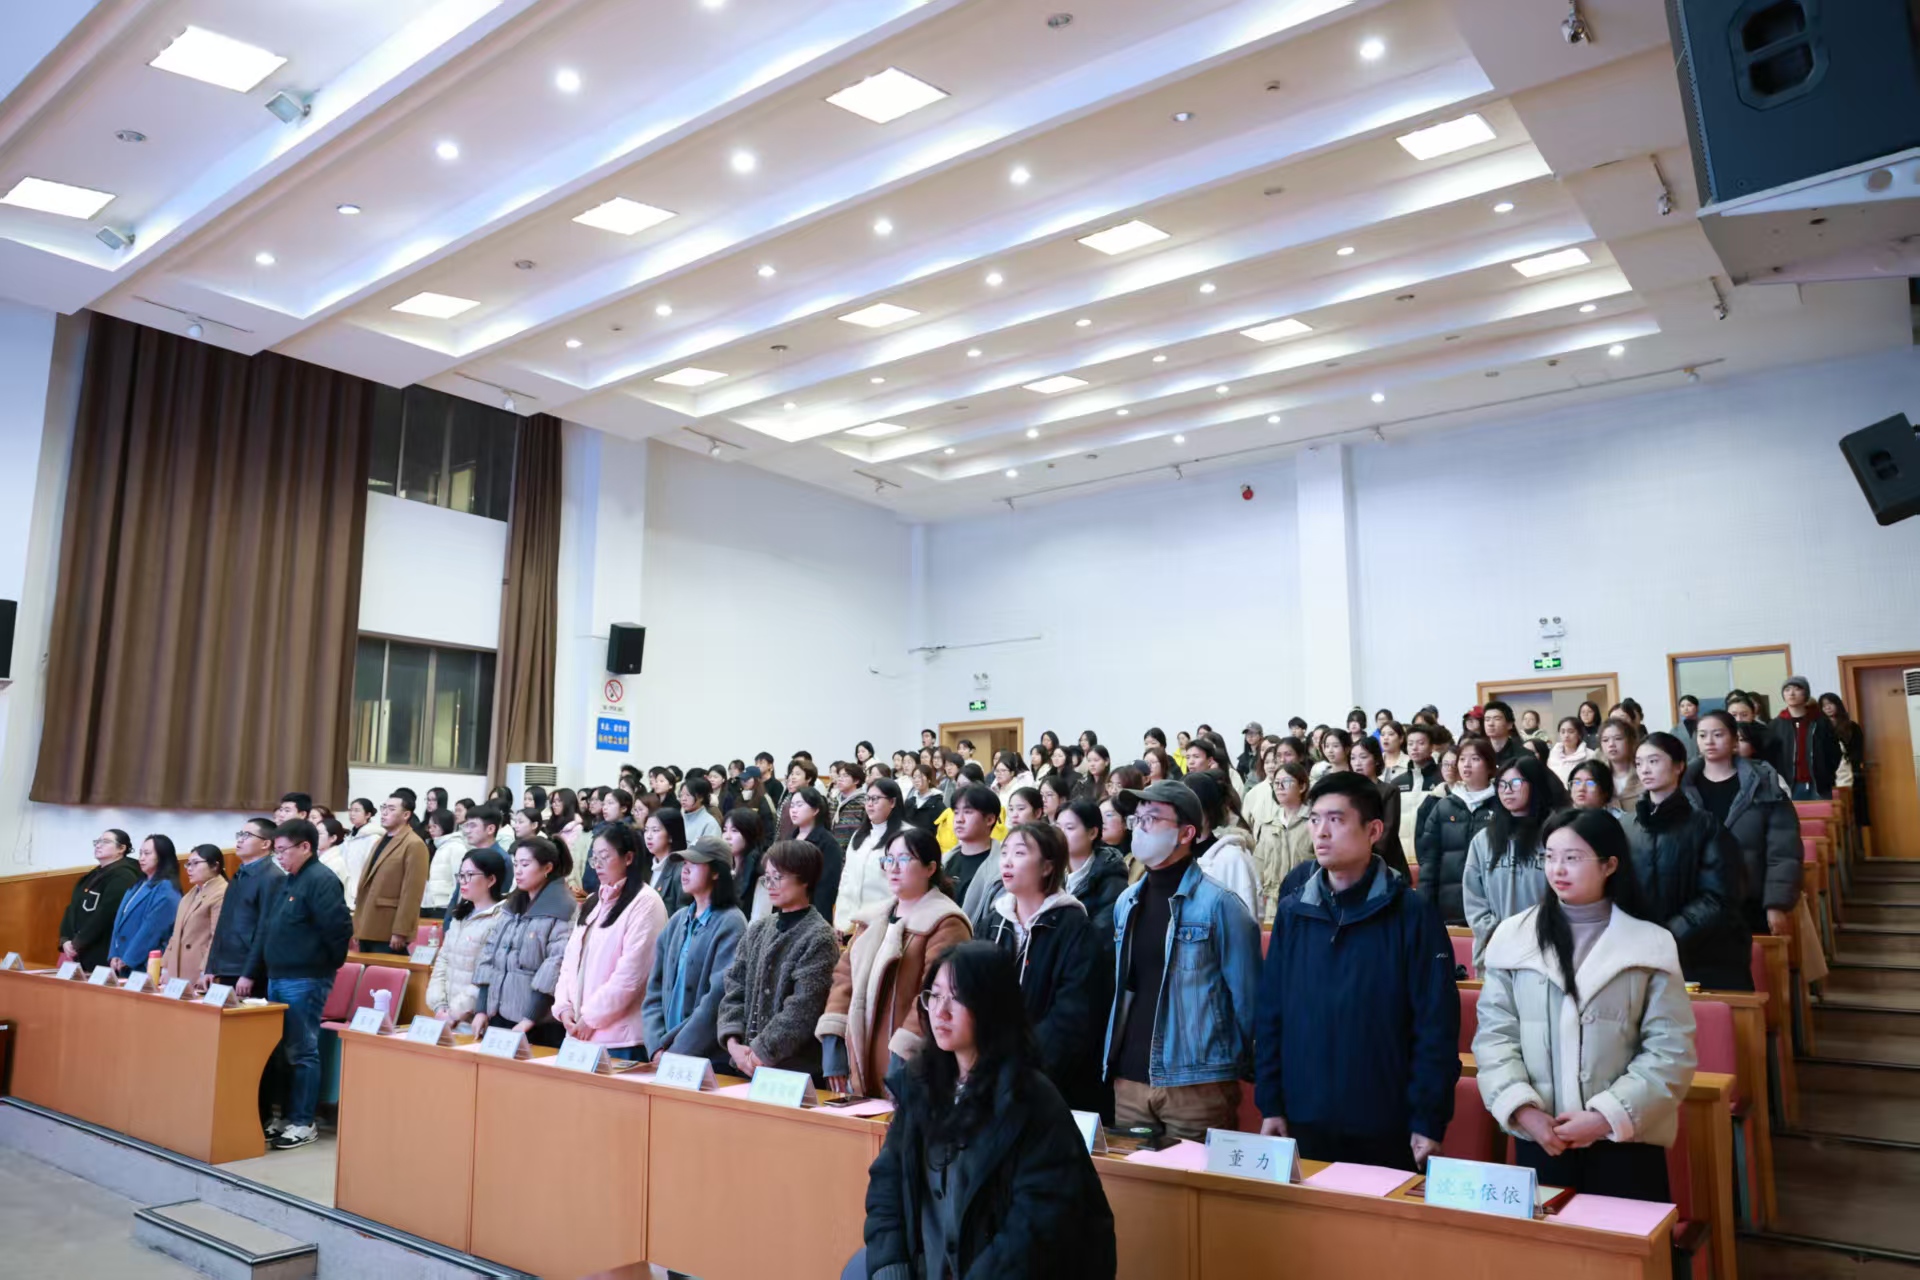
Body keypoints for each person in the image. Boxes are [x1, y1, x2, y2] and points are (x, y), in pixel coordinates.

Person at [850, 942, 1117, 1280]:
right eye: (935, 995)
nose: (941, 1012)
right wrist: (891, 1266)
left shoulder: (1031, 1101)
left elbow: (1035, 1228)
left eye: (957, 998)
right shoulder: (920, 1083)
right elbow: (887, 1184)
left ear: (992, 1006)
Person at [1474, 809, 1696, 1201]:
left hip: (1624, 1141)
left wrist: (1605, 1116)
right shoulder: (1513, 937)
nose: (1557, 869)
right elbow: (1495, 1036)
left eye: (1572, 858)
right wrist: (1523, 1110)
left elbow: (1670, 1049)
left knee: (1621, 1237)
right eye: (1549, 857)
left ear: (1610, 865)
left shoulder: (1651, 943)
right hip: (1541, 1137)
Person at [1256, 772, 1460, 1169]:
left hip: (1385, 1120)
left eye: (1336, 819)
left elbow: (1435, 1023)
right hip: (1303, 1112)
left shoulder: (1412, 914)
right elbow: (1270, 1013)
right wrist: (1271, 1102)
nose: (1321, 832)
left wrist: (1428, 1117)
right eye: (1315, 819)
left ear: (1374, 830)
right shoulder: (1295, 910)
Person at [1104, 781, 1261, 1140]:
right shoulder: (1126, 901)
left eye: (1152, 818)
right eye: (1137, 819)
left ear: (1186, 833)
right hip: (1130, 1079)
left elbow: (1249, 1000)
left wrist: (1226, 1066)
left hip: (1196, 1082)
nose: (1140, 827)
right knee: (1133, 1178)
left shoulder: (1221, 904)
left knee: (1194, 1178)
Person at [818, 827, 971, 1099]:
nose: (893, 868)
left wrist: (904, 1053)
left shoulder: (946, 922)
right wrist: (834, 1041)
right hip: (859, 1061)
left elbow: (935, 996)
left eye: (904, 859)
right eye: (888, 859)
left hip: (912, 1066)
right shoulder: (872, 919)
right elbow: (844, 979)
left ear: (930, 868)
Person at [242, 819, 352, 1150]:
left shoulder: (321, 880)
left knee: (302, 1051)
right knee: (280, 1052)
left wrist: (322, 966)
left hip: (306, 978)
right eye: (276, 852)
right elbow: (268, 929)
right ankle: (286, 1116)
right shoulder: (290, 880)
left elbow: (339, 930)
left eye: (283, 851)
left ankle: (303, 1122)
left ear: (305, 847)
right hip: (278, 976)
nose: (279, 858)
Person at [983, 822, 1107, 1115]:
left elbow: (1072, 1016)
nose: (1007, 861)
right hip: (990, 1079)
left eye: (1020, 853)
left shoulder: (1075, 928)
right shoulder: (993, 923)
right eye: (1005, 852)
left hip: (1049, 1086)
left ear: (1048, 866)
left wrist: (1021, 1071)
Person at [1627, 732, 1752, 989]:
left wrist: (1667, 935)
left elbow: (1718, 896)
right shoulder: (1627, 827)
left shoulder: (1705, 825)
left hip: (1700, 954)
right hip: (1640, 952)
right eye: (1639, 763)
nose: (1644, 770)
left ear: (1678, 766)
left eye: (1654, 761)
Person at [718, 838, 840, 1081]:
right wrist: (733, 1043)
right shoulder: (758, 929)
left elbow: (803, 1009)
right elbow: (734, 987)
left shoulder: (820, 937)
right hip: (745, 1063)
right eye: (767, 877)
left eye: (779, 877)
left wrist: (759, 1053)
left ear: (805, 879)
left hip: (792, 1072)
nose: (770, 884)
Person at [554, 823, 669, 1060]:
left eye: (604, 857)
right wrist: (564, 1008)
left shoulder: (646, 902)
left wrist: (590, 1018)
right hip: (578, 1033)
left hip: (620, 1039)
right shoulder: (593, 901)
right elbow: (570, 962)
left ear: (628, 858)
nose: (597, 865)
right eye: (594, 858)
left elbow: (630, 976)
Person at [1685, 711, 1802, 939]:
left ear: (1734, 739)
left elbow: (1783, 850)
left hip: (1751, 899)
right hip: (1697, 901)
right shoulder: (1682, 785)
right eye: (1702, 735)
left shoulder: (1763, 782)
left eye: (1718, 734)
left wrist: (1776, 903)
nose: (1709, 741)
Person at [642, 837, 748, 1068]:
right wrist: (655, 1046)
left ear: (716, 872)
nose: (685, 869)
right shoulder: (678, 920)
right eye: (684, 863)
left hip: (707, 1060)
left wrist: (674, 1053)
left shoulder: (732, 923)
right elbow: (654, 990)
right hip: (665, 1055)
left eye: (695, 863)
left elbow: (716, 1000)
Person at [471, 836, 577, 1049]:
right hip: (498, 1014)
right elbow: (489, 953)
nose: (518, 871)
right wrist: (481, 1008)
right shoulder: (511, 905)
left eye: (525, 864)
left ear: (547, 867)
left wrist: (530, 1018)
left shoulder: (563, 907)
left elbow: (555, 965)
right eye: (516, 864)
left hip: (537, 1024)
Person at [1462, 754, 1556, 971]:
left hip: (1544, 951)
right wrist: (1498, 932)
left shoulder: (1554, 837)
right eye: (1502, 784)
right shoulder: (1484, 840)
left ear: (1535, 785)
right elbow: (1473, 899)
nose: (1507, 790)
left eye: (1515, 783)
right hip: (1495, 949)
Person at [1416, 736, 1500, 925]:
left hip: (1492, 903)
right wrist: (1424, 902)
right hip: (1449, 903)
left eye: (1475, 759)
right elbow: (1429, 860)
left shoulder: (1501, 806)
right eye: (1462, 759)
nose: (1466, 764)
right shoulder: (1444, 806)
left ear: (1490, 766)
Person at [425, 845, 510, 1028]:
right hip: (445, 1015)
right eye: (461, 875)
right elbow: (443, 960)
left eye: (470, 875)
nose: (462, 881)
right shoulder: (460, 916)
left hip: (474, 1020)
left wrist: (454, 1013)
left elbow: (488, 973)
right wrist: (439, 1006)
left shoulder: (501, 918)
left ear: (491, 880)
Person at [352, 793, 430, 955]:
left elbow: (412, 893)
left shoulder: (414, 844)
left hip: (388, 927)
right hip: (367, 922)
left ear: (406, 815)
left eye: (391, 809)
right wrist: (358, 925)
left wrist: (401, 930)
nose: (385, 812)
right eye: (384, 807)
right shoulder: (380, 840)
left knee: (384, 969)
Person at [1181, 771, 1261, 921]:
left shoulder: (1232, 859)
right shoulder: (1172, 855)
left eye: (1192, 805)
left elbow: (1245, 920)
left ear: (1209, 809)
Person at [58, 829, 142, 972]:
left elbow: (106, 914)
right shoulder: (93, 875)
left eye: (106, 842)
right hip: (80, 949)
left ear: (121, 848)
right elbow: (72, 907)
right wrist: (65, 939)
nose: (98, 845)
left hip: (101, 949)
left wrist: (79, 942)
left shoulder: (124, 876)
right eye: (97, 842)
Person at [108, 835, 183, 978]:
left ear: (162, 857)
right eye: (140, 853)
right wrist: (114, 954)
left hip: (144, 964)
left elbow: (151, 931)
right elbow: (118, 922)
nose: (141, 858)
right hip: (123, 960)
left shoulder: (166, 889)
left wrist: (128, 959)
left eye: (147, 854)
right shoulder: (139, 884)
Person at [838, 778, 906, 935]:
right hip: (851, 924)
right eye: (867, 799)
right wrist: (840, 921)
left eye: (875, 799)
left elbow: (905, 886)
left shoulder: (906, 836)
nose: (869, 804)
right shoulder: (859, 835)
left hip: (884, 925)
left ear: (892, 802)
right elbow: (846, 879)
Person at [1057, 800, 1127, 946]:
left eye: (1069, 828)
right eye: (1058, 828)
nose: (1060, 835)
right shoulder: (1052, 871)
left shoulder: (1112, 877)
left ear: (1092, 833)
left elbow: (1100, 937)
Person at [159, 844, 228, 988]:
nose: (190, 868)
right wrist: (165, 966)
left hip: (200, 968)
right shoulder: (189, 895)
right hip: (178, 966)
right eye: (188, 864)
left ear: (215, 866)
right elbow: (175, 935)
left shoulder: (222, 892)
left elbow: (217, 938)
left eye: (196, 863)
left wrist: (206, 970)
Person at [943, 785, 1006, 926]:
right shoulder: (945, 860)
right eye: (956, 812)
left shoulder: (1001, 869)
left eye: (968, 812)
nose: (959, 819)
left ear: (990, 819)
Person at [1349, 735, 1409, 878]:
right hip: (1354, 861)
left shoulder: (1389, 791)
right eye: (1353, 758)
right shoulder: (1347, 793)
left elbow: (1388, 831)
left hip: (1386, 861)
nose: (1357, 763)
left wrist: (1364, 855)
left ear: (1376, 759)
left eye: (1363, 757)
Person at [786, 785, 847, 924]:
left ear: (815, 810)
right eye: (792, 805)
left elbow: (827, 887)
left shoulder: (828, 843)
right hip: (788, 907)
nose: (794, 810)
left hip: (812, 912)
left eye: (799, 805)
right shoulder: (790, 838)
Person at [1775, 676, 1840, 800]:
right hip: (1789, 785)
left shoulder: (1820, 722)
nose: (1791, 693)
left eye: (1797, 689)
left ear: (1806, 693)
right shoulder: (1776, 725)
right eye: (1787, 690)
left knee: (1822, 812)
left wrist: (1826, 773)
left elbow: (1834, 752)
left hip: (1819, 784)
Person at [643, 805, 690, 917]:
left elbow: (682, 915)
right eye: (646, 830)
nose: (648, 836)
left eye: (655, 830)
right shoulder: (645, 867)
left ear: (670, 836)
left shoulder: (681, 870)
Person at [420, 809, 467, 921]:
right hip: (431, 904)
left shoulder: (456, 847)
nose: (431, 830)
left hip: (444, 906)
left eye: (434, 826)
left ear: (445, 826)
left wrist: (455, 907)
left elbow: (459, 880)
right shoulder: (438, 846)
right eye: (429, 827)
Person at [1598, 717, 1643, 811]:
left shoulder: (1643, 773)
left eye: (1618, 738)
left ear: (1631, 741)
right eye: (1605, 740)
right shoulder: (1598, 776)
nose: (1611, 744)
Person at [1482, 701, 1526, 766]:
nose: (1490, 724)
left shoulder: (1522, 754)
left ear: (1509, 724)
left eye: (1497, 719)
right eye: (1487, 719)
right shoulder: (1480, 751)